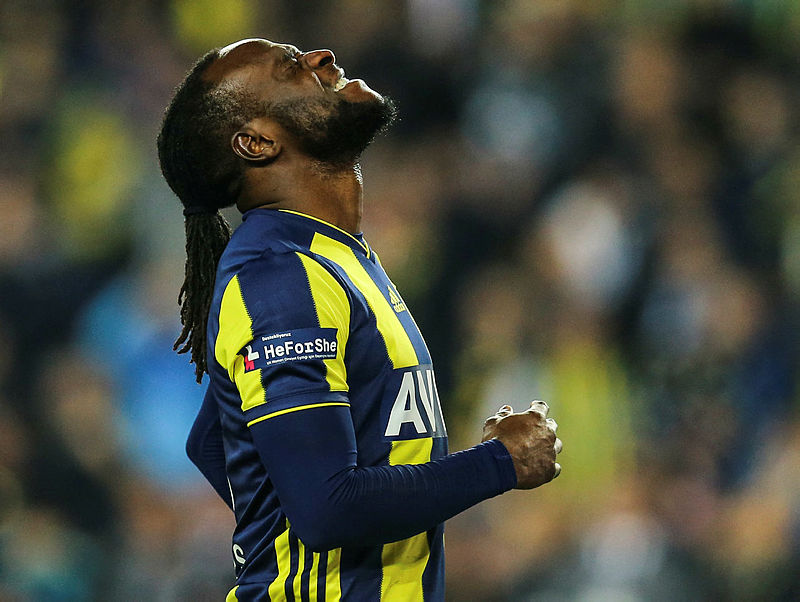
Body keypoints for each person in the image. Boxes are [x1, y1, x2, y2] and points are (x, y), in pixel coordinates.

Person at [157, 38, 562, 602]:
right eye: (289, 67)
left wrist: (282, 513)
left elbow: (214, 440)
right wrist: (500, 463)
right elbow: (326, 508)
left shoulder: (332, 255)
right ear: (257, 143)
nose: (320, 57)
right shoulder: (281, 277)